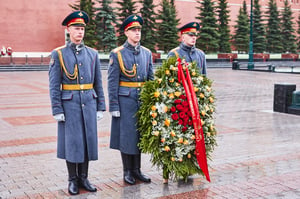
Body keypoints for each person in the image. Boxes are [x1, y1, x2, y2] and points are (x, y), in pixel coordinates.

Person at [48, 11, 106, 195]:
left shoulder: (93, 54)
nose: (79, 32)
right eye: (76, 29)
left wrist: (100, 106)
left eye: (82, 29)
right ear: (68, 30)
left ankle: (84, 177)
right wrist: (57, 108)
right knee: (73, 143)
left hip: (89, 103)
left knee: (87, 142)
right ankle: (72, 179)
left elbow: (98, 82)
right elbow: (54, 84)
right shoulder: (59, 54)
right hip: (69, 105)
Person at [107, 14, 154, 185]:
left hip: (142, 100)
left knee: (139, 136)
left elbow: (151, 79)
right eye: (133, 30)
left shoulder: (147, 53)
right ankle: (127, 171)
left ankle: (137, 170)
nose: (137, 33)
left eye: (139, 30)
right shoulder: (117, 53)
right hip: (125, 101)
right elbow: (112, 82)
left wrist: (153, 101)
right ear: (126, 32)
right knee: (127, 137)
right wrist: (113, 105)